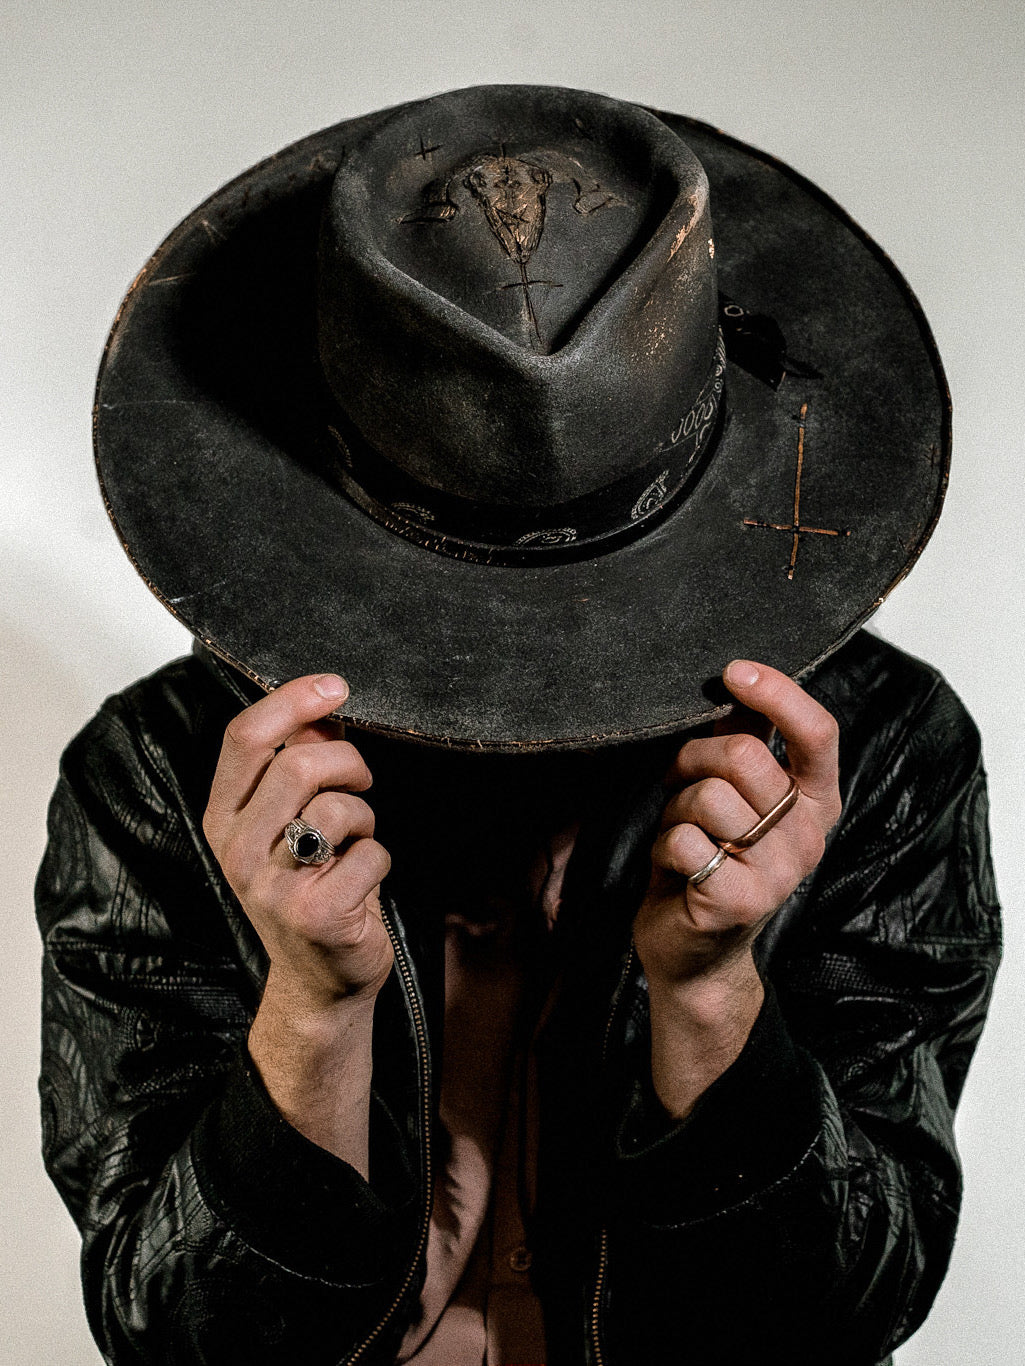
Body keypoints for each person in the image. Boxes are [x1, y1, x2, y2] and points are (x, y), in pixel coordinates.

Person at [36, 85, 1000, 1365]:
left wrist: (711, 994)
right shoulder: (166, 772)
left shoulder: (876, 753)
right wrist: (311, 1010)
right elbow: (174, 1336)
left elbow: (846, 1310)